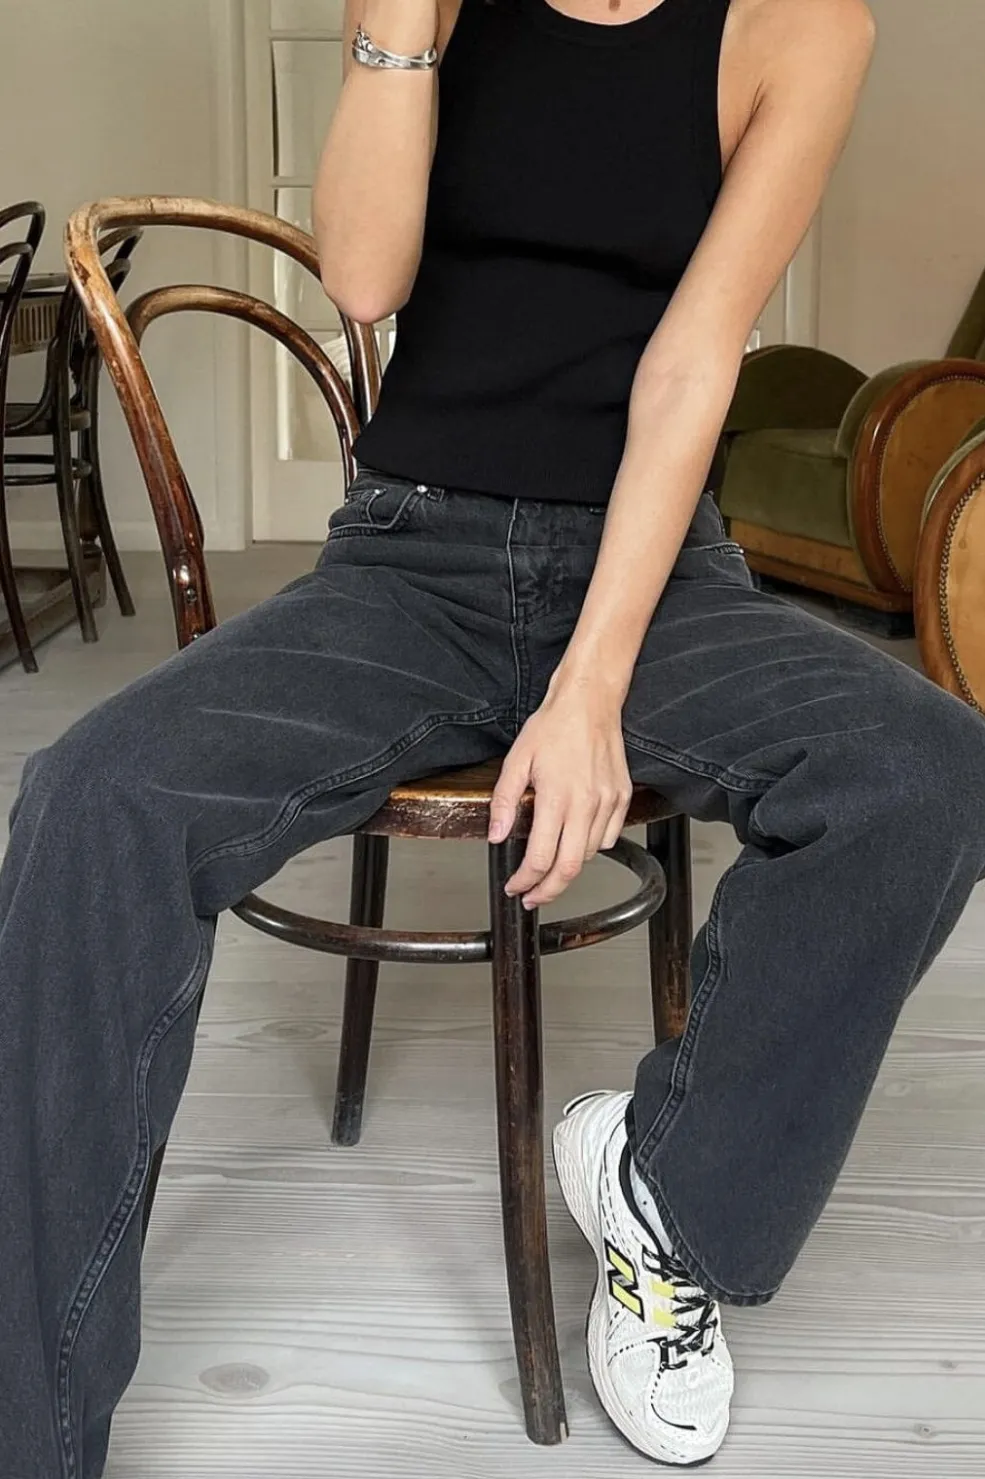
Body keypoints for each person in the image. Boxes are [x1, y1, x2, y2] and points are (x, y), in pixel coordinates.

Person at [3, 0, 984, 1473]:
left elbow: (691, 365)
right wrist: (399, 25)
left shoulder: (803, 28)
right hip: (414, 559)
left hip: (652, 574)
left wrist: (590, 683)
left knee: (928, 772)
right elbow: (363, 273)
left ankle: (664, 1188)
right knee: (90, 799)